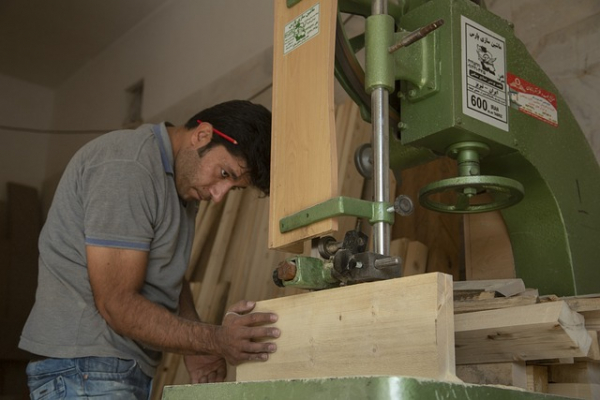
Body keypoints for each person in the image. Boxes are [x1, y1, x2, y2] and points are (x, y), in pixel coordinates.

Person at [19, 100, 281, 399]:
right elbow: (116, 303)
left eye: (233, 188)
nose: (219, 196)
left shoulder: (180, 183)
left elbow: (163, 269)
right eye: (224, 174)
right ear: (202, 135)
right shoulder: (128, 167)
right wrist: (216, 340)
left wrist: (197, 347)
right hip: (85, 370)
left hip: (113, 368)